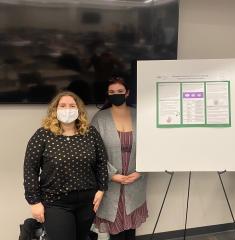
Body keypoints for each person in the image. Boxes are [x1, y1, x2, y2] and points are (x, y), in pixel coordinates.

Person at [23, 91, 108, 240]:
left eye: (72, 105)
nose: (67, 109)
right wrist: (34, 201)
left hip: (87, 202)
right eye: (62, 106)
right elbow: (30, 169)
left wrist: (102, 189)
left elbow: (101, 162)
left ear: (79, 110)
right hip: (56, 203)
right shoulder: (43, 135)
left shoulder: (90, 133)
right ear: (55, 110)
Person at [92, 77, 148, 240]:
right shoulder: (99, 118)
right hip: (111, 184)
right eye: (112, 92)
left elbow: (150, 146)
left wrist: (140, 171)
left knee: (131, 230)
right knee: (115, 232)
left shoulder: (140, 116)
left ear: (127, 93)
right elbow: (93, 152)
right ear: (107, 94)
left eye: (120, 92)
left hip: (136, 180)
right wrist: (111, 175)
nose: (116, 95)